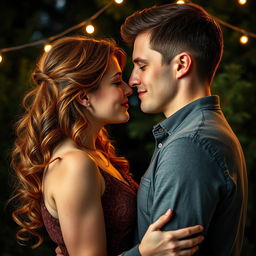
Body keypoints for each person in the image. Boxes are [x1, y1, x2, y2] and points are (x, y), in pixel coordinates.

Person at [11, 35, 204, 256]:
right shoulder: (74, 165)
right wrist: (143, 253)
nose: (128, 89)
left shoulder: (94, 153)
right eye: (116, 82)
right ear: (84, 96)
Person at [120, 2, 248, 256]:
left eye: (142, 66)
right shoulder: (199, 133)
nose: (132, 80)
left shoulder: (189, 146)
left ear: (181, 64)